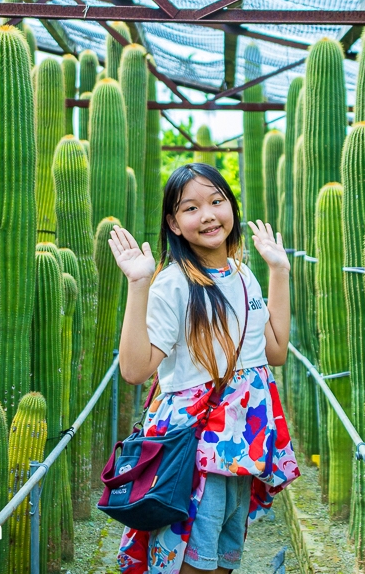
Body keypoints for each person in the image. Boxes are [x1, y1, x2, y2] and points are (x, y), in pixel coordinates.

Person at [110, 163, 300, 574]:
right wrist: (139, 284)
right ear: (174, 224)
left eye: (217, 201)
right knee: (190, 562)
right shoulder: (173, 282)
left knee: (223, 559)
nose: (209, 214)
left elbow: (277, 350)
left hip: (244, 447)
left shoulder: (242, 273)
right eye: (191, 208)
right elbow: (134, 369)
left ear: (231, 206)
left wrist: (279, 271)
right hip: (197, 448)